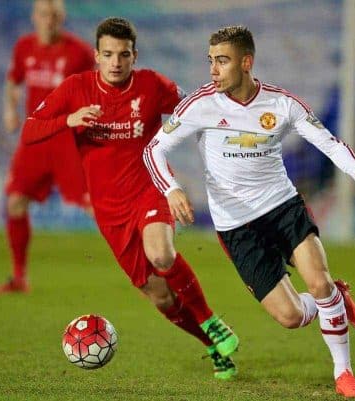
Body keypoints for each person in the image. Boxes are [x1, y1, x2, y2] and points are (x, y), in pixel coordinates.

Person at [144, 26, 355, 398]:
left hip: (282, 207)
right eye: (210, 61)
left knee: (317, 282)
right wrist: (172, 189)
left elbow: (328, 142)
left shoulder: (282, 104)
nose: (213, 70)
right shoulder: (199, 105)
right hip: (236, 227)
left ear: (246, 62)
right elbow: (153, 151)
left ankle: (344, 374)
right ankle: (336, 299)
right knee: (291, 317)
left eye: (222, 61)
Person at [19, 17, 239, 379]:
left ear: (134, 55)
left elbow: (194, 109)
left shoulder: (153, 86)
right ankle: (211, 345)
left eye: (123, 55)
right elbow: (29, 130)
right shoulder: (75, 90)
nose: (116, 62)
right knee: (161, 297)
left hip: (149, 188)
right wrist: (68, 120)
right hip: (109, 210)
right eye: (108, 55)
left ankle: (211, 320)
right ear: (96, 56)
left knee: (161, 253)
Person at [0, 0, 95, 295]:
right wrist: (9, 111)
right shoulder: (24, 48)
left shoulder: (79, 52)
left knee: (94, 206)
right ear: (35, 17)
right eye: (45, 15)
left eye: (55, 16)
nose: (50, 21)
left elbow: (98, 89)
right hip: (35, 139)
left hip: (68, 139)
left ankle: (144, 267)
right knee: (15, 202)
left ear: (62, 18)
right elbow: (12, 82)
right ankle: (19, 277)